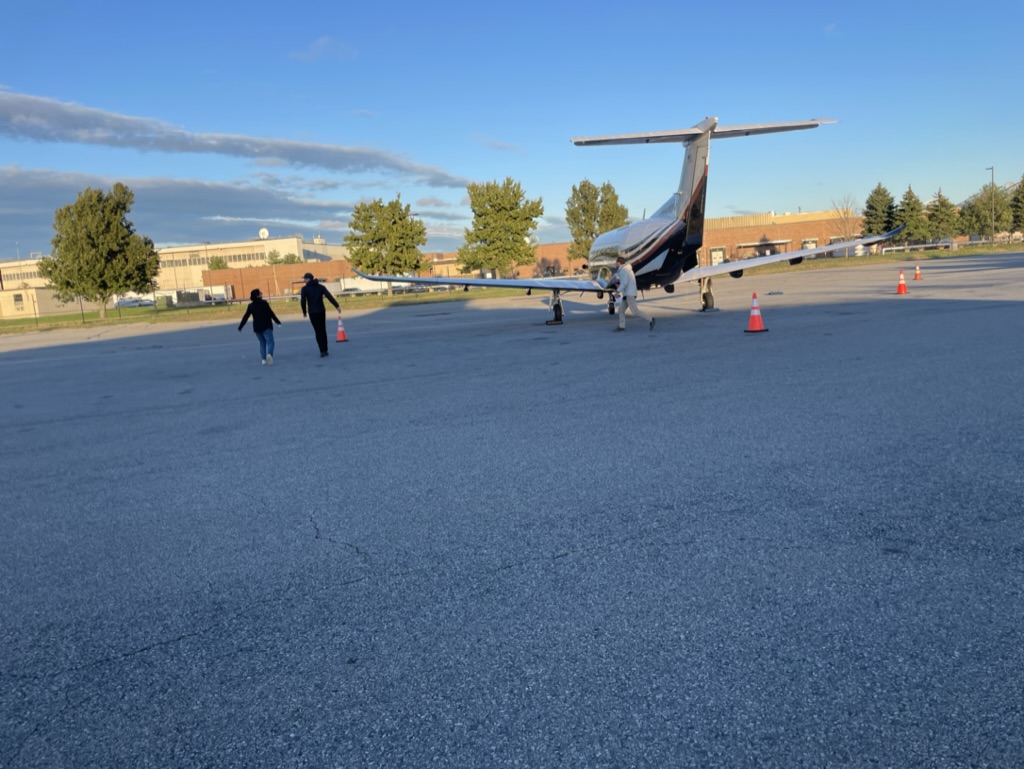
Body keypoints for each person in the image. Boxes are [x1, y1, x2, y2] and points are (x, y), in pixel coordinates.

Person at [300, 272, 341, 357]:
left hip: (312, 312)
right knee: (323, 330)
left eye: (305, 279)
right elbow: (329, 296)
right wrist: (336, 306)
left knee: (317, 331)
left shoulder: (305, 289)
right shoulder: (321, 287)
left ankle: (322, 350)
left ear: (308, 279)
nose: (304, 280)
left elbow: (303, 301)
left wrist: (304, 312)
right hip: (321, 311)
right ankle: (325, 349)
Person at [238, 288, 282, 365]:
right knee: (270, 342)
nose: (262, 294)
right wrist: (277, 322)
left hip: (257, 327)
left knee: (262, 343)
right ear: (257, 295)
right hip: (266, 326)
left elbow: (246, 317)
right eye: (260, 293)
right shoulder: (264, 303)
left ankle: (263, 360)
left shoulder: (250, 306)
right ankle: (270, 354)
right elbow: (271, 313)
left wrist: (240, 326)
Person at [609, 256, 654, 332]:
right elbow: (625, 282)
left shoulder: (624, 270)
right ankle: (621, 327)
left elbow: (624, 283)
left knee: (635, 311)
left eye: (616, 262)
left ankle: (651, 319)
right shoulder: (626, 270)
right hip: (627, 294)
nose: (615, 263)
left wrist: (617, 291)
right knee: (621, 310)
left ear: (619, 262)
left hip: (629, 294)